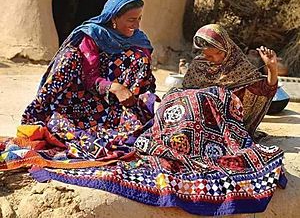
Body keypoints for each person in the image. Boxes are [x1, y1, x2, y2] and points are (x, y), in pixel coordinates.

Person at [30, 25, 286, 217]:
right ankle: (169, 140)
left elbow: (261, 95)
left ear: (225, 49)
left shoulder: (239, 67)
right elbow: (185, 92)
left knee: (198, 102)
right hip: (190, 117)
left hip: (221, 124)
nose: (207, 56)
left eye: (212, 52)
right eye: (204, 51)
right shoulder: (199, 65)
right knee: (176, 101)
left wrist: (271, 70)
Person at [18, 0, 157, 162]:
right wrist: (115, 87)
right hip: (81, 101)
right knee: (70, 56)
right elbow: (90, 79)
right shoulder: (93, 35)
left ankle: (122, 123)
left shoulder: (139, 40)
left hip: (119, 108)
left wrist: (144, 95)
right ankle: (47, 114)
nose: (136, 25)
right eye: (131, 19)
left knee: (139, 57)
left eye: (139, 19)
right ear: (114, 18)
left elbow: (145, 78)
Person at [182, 24, 278, 137]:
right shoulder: (198, 66)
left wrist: (272, 67)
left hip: (230, 128)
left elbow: (266, 90)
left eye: (219, 53)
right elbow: (185, 97)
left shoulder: (241, 66)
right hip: (199, 124)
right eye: (209, 56)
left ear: (228, 46)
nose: (217, 59)